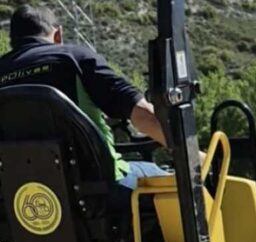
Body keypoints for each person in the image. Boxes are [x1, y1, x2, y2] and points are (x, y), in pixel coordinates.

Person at [0, 5, 169, 193]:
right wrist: (195, 156)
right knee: (168, 178)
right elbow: (144, 116)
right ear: (58, 35)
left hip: (22, 199)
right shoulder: (75, 58)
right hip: (99, 190)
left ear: (13, 41)